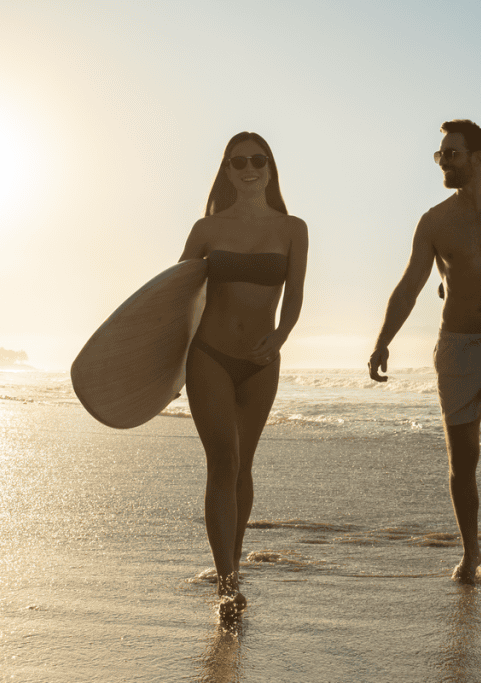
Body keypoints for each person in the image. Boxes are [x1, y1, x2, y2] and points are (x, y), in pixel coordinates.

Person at [368, 120, 481, 623]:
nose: (442, 161)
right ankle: (471, 552)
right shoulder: (434, 221)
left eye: (451, 153)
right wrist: (383, 341)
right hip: (458, 352)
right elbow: (409, 286)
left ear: (478, 156)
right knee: (462, 463)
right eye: (440, 154)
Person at [179, 132, 308, 620]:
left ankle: (230, 565)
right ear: (227, 170)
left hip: (261, 360)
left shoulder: (293, 228)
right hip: (208, 354)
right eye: (239, 162)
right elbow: (177, 295)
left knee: (244, 465)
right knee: (223, 462)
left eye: (258, 160)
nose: (249, 168)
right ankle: (228, 583)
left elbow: (294, 294)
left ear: (271, 167)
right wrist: (162, 366)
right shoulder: (206, 228)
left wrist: (280, 336)